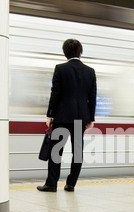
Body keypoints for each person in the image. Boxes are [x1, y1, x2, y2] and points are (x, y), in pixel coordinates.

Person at [37, 39, 97, 192]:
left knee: (56, 152)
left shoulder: (60, 69)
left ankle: (51, 184)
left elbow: (55, 94)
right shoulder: (90, 71)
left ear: (65, 53)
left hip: (62, 117)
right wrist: (91, 118)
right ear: (80, 52)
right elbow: (92, 96)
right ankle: (71, 184)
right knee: (77, 152)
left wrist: (50, 115)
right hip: (80, 118)